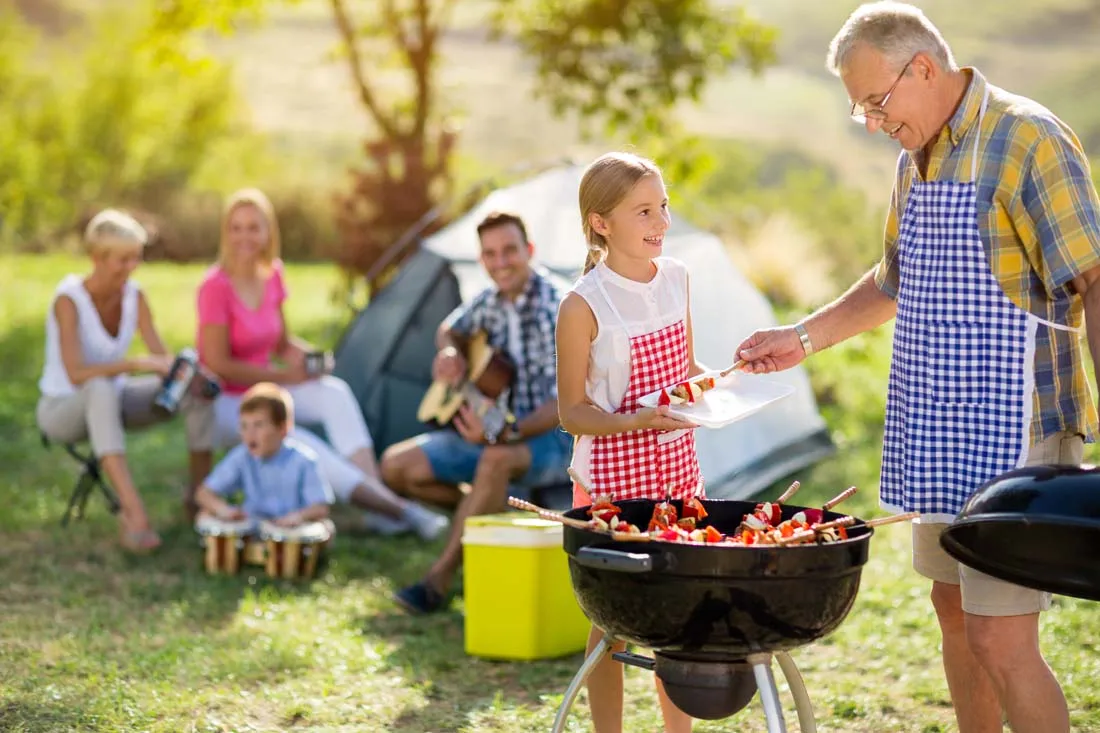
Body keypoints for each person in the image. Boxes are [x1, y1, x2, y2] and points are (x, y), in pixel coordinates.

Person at [735, 4, 1100, 732]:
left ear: (923, 69)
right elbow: (891, 281)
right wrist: (800, 338)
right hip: (938, 428)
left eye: (876, 101)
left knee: (1002, 636)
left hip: (1015, 436)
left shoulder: (1027, 139)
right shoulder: (917, 155)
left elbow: (1093, 281)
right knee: (953, 612)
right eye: (859, 109)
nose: (871, 121)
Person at [196, 187, 447, 541]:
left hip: (270, 389)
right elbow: (218, 363)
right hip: (230, 404)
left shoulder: (273, 274)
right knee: (296, 439)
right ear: (225, 233)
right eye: (236, 228)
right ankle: (400, 510)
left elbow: (282, 342)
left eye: (254, 227)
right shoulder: (215, 287)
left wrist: (311, 360)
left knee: (334, 392)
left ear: (269, 232)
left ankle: (379, 499)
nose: (245, 236)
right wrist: (284, 376)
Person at [556, 152, 701, 733]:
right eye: (643, 211)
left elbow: (687, 369)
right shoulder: (582, 305)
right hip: (610, 481)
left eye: (662, 206)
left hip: (679, 472)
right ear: (601, 222)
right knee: (611, 619)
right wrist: (638, 422)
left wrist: (729, 379)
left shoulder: (680, 279)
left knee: (678, 612)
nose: (661, 221)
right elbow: (571, 412)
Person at [382, 211, 572, 614]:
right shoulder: (489, 302)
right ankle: (490, 508)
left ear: (530, 251)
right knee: (396, 467)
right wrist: (450, 350)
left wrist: (503, 433)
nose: (500, 262)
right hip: (493, 433)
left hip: (554, 439)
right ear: (481, 259)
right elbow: (449, 329)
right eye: (490, 254)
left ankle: (439, 578)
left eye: (509, 251)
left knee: (494, 458)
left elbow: (563, 405)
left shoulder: (560, 306)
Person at [36, 209, 215, 553]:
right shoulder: (68, 300)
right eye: (123, 259)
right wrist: (132, 363)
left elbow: (160, 357)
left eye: (137, 258)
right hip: (62, 409)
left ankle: (200, 497)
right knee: (99, 387)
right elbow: (75, 374)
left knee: (194, 395)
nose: (132, 266)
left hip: (112, 403)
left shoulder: (135, 295)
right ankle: (134, 515)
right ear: (96, 258)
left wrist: (187, 371)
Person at [194, 382, 334, 530]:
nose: (250, 434)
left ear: (283, 428)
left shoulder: (304, 460)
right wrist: (224, 510)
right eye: (244, 426)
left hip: (289, 530)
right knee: (205, 515)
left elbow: (320, 507)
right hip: (252, 529)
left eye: (259, 425)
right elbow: (204, 493)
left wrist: (298, 517)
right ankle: (224, 553)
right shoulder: (242, 456)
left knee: (326, 527)